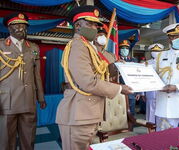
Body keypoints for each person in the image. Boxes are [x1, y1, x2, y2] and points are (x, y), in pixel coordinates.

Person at [55, 6, 132, 150]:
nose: (94, 28)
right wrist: (120, 88)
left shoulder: (90, 48)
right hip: (78, 112)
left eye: (96, 25)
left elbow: (101, 72)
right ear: (77, 25)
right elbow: (88, 82)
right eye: (89, 24)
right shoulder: (78, 46)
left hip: (87, 112)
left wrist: (116, 66)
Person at [0, 12, 46, 150]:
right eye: (17, 25)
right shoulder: (1, 46)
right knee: (6, 140)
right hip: (7, 101)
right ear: (9, 28)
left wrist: (41, 98)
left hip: (28, 99)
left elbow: (36, 75)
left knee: (29, 139)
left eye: (24, 25)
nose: (21, 28)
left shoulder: (33, 48)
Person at [118, 39, 141, 116]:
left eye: (126, 48)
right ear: (119, 50)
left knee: (131, 112)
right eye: (122, 48)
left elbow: (137, 76)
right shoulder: (116, 60)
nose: (125, 50)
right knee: (121, 112)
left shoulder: (134, 60)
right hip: (120, 91)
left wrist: (138, 92)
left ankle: (130, 128)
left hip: (132, 91)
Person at [144, 43, 164, 123]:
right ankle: (150, 132)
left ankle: (159, 132)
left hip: (162, 91)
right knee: (150, 113)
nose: (155, 52)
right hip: (150, 90)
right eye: (154, 51)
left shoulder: (165, 62)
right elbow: (143, 78)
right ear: (151, 52)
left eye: (158, 51)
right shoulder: (147, 63)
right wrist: (142, 92)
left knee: (161, 113)